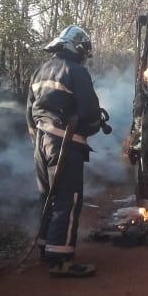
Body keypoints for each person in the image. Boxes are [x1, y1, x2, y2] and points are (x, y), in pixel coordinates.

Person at [26, 25, 103, 278]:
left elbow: (29, 113)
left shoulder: (39, 71)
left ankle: (46, 247)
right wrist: (90, 129)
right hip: (64, 143)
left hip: (40, 140)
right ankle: (61, 260)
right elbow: (91, 112)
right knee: (67, 199)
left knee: (48, 196)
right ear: (78, 49)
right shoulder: (76, 71)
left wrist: (37, 140)